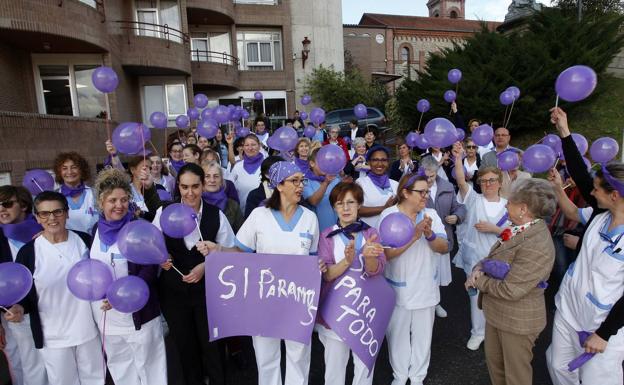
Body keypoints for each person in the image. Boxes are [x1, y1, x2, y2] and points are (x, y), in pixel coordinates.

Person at [546, 107, 624, 385]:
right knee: (558, 366)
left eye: (597, 190)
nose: (590, 192)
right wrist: (565, 132)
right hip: (569, 309)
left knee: (597, 380)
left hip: (601, 324)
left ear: (614, 195)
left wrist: (604, 333)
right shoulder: (601, 215)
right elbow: (581, 175)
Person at [149, 163, 237, 385]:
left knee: (213, 346)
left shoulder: (216, 215)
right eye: (185, 187)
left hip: (208, 293)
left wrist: (206, 265)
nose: (190, 193)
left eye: (195, 187)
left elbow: (232, 252)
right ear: (177, 186)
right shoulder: (163, 212)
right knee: (184, 347)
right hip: (174, 293)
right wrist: (161, 256)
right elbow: (150, 244)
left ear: (203, 186)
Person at [235, 161, 320, 385]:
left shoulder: (310, 218)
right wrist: (216, 250)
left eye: (302, 180)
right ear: (279, 185)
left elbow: (313, 259)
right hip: (263, 298)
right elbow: (239, 252)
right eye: (295, 181)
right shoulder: (258, 215)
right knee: (266, 356)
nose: (301, 186)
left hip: (298, 299)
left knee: (298, 355)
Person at [466, 178, 556, 385]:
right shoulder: (519, 228)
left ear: (523, 209)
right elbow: (495, 256)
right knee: (496, 368)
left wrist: (477, 281)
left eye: (510, 202)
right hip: (498, 313)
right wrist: (480, 266)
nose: (506, 204)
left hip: (517, 321)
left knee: (516, 377)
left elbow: (511, 289)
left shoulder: (537, 244)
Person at [12, 191, 104, 385]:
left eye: (57, 211)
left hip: (88, 329)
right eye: (44, 213)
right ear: (37, 217)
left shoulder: (85, 241)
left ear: (67, 213)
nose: (51, 218)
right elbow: (24, 295)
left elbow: (100, 278)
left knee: (95, 380)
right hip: (53, 336)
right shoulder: (29, 252)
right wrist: (19, 308)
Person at [89, 168, 167, 385]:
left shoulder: (139, 228)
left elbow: (150, 269)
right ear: (101, 202)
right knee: (122, 372)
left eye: (124, 199)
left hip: (141, 316)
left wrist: (123, 297)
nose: (119, 205)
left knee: (152, 372)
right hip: (109, 320)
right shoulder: (94, 230)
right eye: (112, 200)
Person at [379, 172, 449, 385]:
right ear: (405, 193)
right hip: (397, 287)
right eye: (421, 192)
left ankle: (417, 376)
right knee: (397, 335)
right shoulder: (389, 215)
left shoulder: (431, 216)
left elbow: (444, 248)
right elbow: (387, 254)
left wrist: (429, 235)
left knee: (422, 336)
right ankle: (400, 376)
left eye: (427, 191)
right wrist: (414, 236)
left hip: (425, 286)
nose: (425, 196)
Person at [316, 181, 386, 385]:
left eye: (350, 202)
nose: (345, 208)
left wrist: (370, 258)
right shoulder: (326, 236)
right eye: (340, 204)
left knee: (363, 369)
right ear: (334, 208)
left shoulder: (371, 234)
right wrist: (347, 261)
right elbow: (327, 275)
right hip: (335, 312)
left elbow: (377, 270)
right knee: (334, 369)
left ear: (359, 205)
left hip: (365, 311)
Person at [452, 143, 510, 350]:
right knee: (476, 298)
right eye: (484, 181)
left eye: (492, 180)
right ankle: (477, 333)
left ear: (500, 182)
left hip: (498, 260)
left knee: (498, 297)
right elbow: (460, 180)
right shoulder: (474, 200)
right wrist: (458, 158)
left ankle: (497, 332)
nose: (488, 184)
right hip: (475, 257)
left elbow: (516, 236)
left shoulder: (508, 206)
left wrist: (495, 230)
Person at [0, 186, 47, 385]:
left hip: (46, 306)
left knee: (50, 361)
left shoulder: (44, 231)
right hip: (13, 313)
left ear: (25, 206)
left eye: (8, 204)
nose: (2, 209)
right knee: (25, 363)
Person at [420, 157, 466, 318]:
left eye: (432, 176)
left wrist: (457, 217)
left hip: (442, 238)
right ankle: (425, 303)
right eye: (426, 176)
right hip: (421, 240)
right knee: (423, 273)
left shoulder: (447, 187)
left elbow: (459, 207)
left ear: (437, 172)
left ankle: (436, 302)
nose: (429, 180)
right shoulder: (416, 188)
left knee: (438, 274)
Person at [53, 152, 98, 233]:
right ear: (59, 172)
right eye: (64, 168)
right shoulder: (54, 197)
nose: (69, 172)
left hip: (93, 242)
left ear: (82, 170)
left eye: (74, 167)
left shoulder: (95, 194)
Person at [356, 145, 398, 228]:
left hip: (393, 233)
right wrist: (384, 208)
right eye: (375, 160)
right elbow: (356, 210)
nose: (380, 164)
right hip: (368, 235)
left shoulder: (396, 185)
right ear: (369, 162)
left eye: (384, 160)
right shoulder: (360, 183)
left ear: (388, 162)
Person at [303, 147, 342, 231]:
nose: (326, 165)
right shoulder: (306, 181)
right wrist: (326, 183)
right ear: (312, 163)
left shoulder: (336, 180)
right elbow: (313, 201)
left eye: (327, 161)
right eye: (322, 162)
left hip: (335, 228)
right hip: (316, 229)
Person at [202, 161, 244, 233]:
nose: (212, 180)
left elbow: (242, 234)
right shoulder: (196, 203)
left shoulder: (233, 206)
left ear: (221, 180)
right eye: (207, 176)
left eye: (216, 176)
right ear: (202, 180)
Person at [230, 134, 265, 214]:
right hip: (242, 214)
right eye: (247, 145)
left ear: (259, 146)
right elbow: (231, 188)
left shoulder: (266, 165)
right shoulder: (237, 167)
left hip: (263, 214)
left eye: (253, 144)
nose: (250, 148)